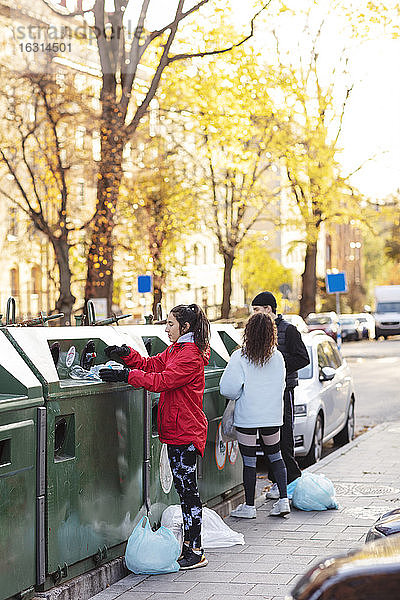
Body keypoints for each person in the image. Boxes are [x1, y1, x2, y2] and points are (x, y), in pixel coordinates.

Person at [99, 304, 210, 570]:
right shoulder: (177, 350)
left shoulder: (190, 355)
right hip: (176, 429)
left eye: (170, 324)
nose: (166, 328)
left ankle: (196, 550)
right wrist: (127, 355)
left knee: (188, 492)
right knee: (185, 491)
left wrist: (126, 375)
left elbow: (162, 380)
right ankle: (190, 547)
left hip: (186, 431)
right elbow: (151, 365)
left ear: (185, 327)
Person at [219, 312, 290, 518]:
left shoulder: (240, 357)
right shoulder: (277, 357)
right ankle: (283, 500)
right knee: (275, 456)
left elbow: (228, 389)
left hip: (248, 416)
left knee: (249, 462)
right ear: (271, 333)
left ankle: (249, 507)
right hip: (272, 416)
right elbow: (282, 385)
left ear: (248, 332)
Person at [251, 291, 310, 499]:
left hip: (284, 391)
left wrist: (279, 368)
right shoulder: (258, 331)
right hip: (266, 392)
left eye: (257, 310)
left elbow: (303, 358)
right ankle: (277, 482)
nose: (254, 314)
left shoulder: (289, 330)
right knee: (269, 440)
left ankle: (292, 482)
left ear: (268, 309)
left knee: (284, 438)